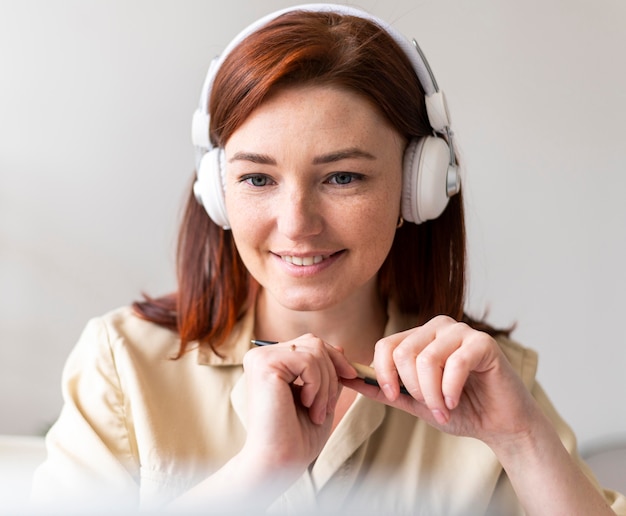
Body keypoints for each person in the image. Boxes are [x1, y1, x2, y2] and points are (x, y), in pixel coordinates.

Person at [31, 4, 626, 515]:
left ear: (417, 189)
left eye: (343, 176)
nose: (297, 224)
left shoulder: (486, 382)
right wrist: (258, 473)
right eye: (258, 178)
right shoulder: (125, 366)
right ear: (217, 192)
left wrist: (522, 440)